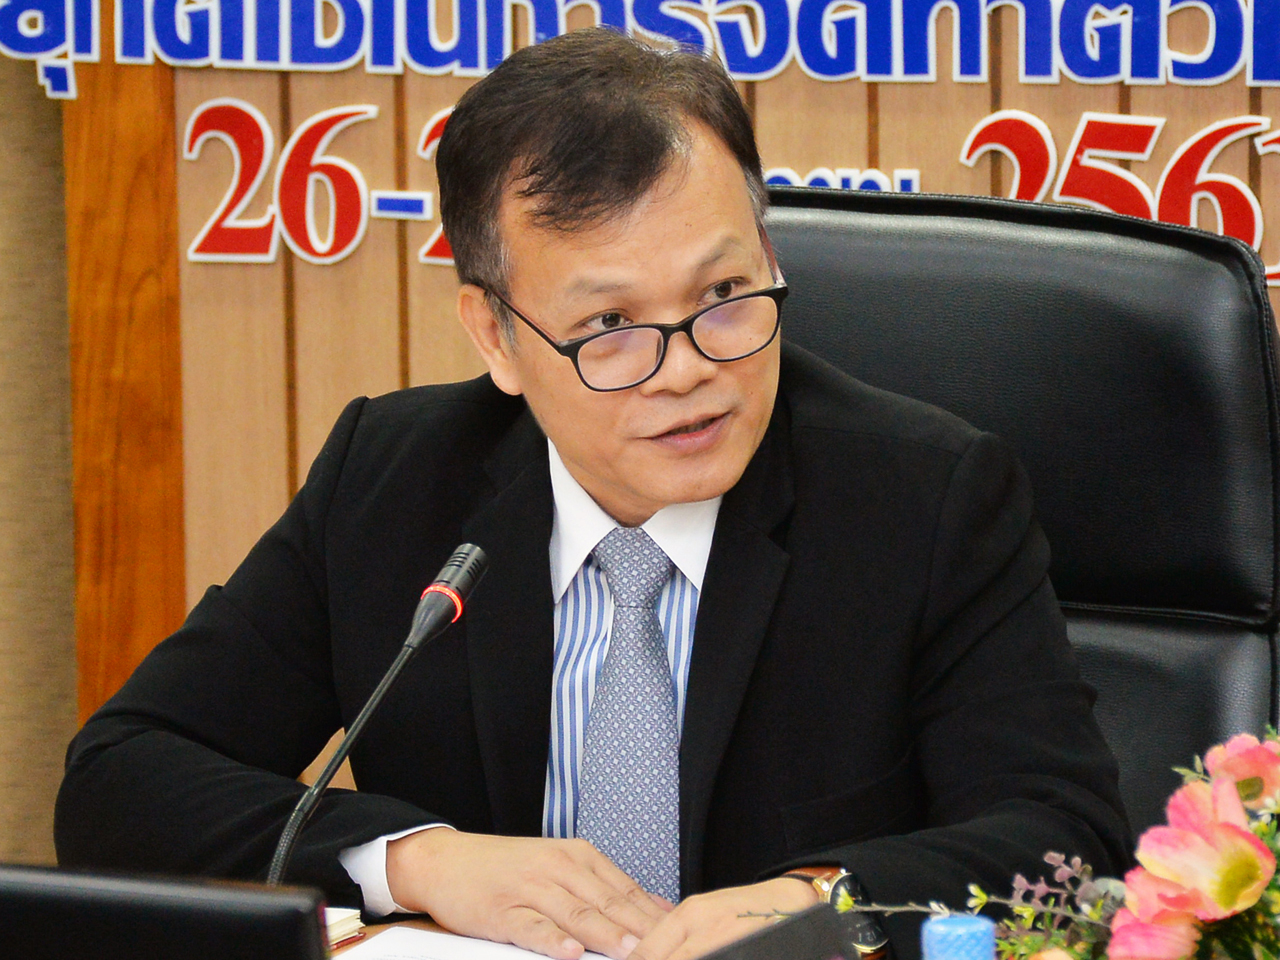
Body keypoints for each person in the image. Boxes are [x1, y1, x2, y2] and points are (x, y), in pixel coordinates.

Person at [55, 27, 1131, 960]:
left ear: (767, 252)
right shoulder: (392, 480)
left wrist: (818, 902)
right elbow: (119, 779)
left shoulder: (925, 497)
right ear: (495, 335)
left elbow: (1067, 842)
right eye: (610, 326)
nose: (686, 369)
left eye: (723, 292)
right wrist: (418, 860)